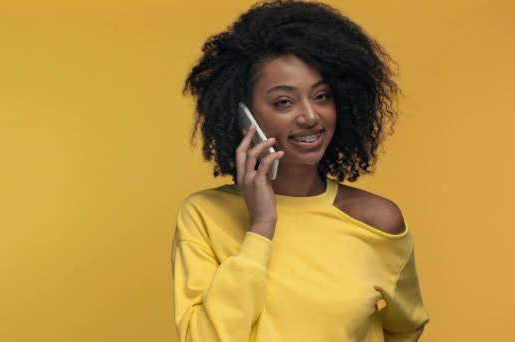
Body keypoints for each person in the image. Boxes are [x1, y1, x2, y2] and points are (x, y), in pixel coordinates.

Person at [171, 1, 430, 341]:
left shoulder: (378, 222)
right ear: (242, 114)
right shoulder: (204, 216)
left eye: (321, 96)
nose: (310, 116)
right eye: (284, 102)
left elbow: (406, 327)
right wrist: (261, 228)